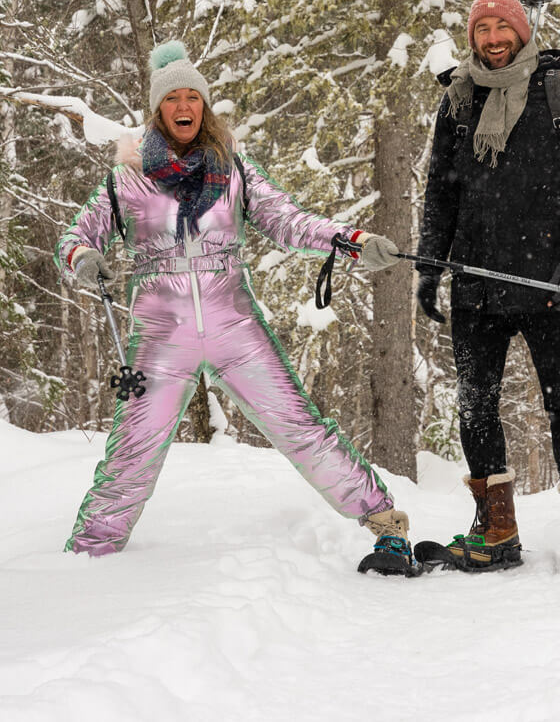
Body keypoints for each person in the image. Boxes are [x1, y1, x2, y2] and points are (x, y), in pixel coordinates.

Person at [57, 40, 415, 575]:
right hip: (159, 335)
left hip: (235, 326)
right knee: (133, 451)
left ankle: (386, 526)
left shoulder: (234, 170)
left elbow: (290, 221)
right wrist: (84, 258)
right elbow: (75, 236)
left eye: (192, 98)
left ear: (203, 105)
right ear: (158, 109)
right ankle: (86, 561)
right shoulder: (126, 179)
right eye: (173, 98)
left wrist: (351, 240)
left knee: (301, 428)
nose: (184, 107)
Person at [415, 0, 560, 584]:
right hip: (476, 282)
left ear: (522, 32)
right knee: (475, 404)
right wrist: (432, 265)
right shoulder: (458, 101)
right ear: (473, 38)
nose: (494, 37)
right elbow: (442, 190)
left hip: (550, 283)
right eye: (484, 29)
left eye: (504, 26)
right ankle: (496, 529)